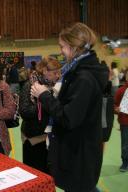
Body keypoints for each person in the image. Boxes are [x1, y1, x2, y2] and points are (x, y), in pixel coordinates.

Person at [31, 22, 109, 192]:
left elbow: (68, 117)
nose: (60, 51)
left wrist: (44, 95)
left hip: (79, 153)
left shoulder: (84, 78)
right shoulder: (77, 72)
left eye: (62, 47)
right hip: (78, 148)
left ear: (74, 47)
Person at [19, 57, 61, 172]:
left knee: (49, 176)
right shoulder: (30, 86)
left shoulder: (56, 86)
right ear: (44, 71)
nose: (58, 76)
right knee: (35, 175)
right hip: (34, 140)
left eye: (59, 72)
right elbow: (24, 112)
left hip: (51, 139)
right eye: (55, 72)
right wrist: (44, 99)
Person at [114, 72, 128, 172]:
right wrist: (116, 109)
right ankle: (125, 162)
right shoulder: (121, 90)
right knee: (125, 144)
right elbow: (114, 105)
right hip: (125, 122)